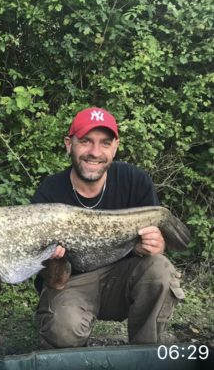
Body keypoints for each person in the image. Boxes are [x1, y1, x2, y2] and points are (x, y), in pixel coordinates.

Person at [32, 107, 185, 349]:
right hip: (74, 284)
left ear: (115, 147)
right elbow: (54, 282)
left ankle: (145, 354)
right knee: (63, 329)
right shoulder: (49, 194)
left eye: (105, 143)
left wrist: (157, 244)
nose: (95, 152)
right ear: (68, 144)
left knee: (160, 269)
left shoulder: (135, 180)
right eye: (85, 141)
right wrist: (55, 262)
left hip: (121, 279)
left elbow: (155, 251)